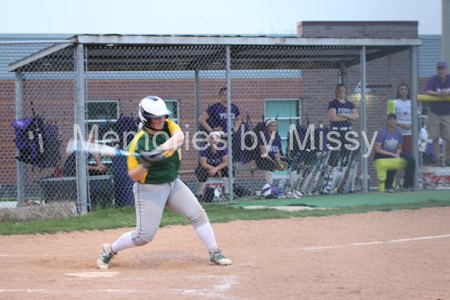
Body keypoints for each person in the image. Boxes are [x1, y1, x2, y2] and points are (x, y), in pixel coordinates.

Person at [96, 96, 231, 269]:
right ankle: (109, 249)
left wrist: (158, 150)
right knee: (144, 237)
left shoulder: (168, 125)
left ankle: (214, 252)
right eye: (156, 117)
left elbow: (180, 138)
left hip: (172, 183)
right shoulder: (138, 143)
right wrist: (146, 163)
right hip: (149, 189)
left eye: (163, 115)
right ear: (146, 118)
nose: (161, 119)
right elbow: (134, 176)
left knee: (198, 213)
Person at [323, 84, 359, 192]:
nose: (342, 92)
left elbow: (356, 116)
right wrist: (348, 117)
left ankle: (341, 184)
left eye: (344, 90)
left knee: (345, 157)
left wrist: (343, 115)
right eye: (339, 90)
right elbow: (333, 118)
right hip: (336, 132)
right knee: (334, 156)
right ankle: (327, 185)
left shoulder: (350, 104)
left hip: (347, 132)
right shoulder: (333, 103)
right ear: (336, 92)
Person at [373, 113, 416, 192]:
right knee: (393, 160)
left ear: (396, 121)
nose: (392, 121)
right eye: (390, 119)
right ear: (387, 121)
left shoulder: (398, 133)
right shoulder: (382, 132)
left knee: (411, 160)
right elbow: (377, 149)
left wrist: (397, 153)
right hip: (381, 155)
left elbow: (399, 148)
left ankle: (407, 185)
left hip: (393, 154)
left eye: (394, 120)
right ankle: (388, 186)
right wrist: (392, 154)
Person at [198, 87, 243, 162]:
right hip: (220, 135)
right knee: (223, 155)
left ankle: (234, 164)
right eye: (223, 95)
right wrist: (211, 130)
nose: (225, 96)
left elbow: (239, 119)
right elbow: (201, 119)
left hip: (231, 135)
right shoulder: (215, 107)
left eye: (227, 95)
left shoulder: (233, 107)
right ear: (220, 96)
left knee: (233, 152)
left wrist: (236, 128)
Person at [423, 60, 450, 167]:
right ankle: (438, 159)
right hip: (434, 111)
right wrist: (438, 93)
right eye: (439, 68)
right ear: (437, 70)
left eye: (443, 68)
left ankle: (448, 158)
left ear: (446, 70)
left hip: (448, 112)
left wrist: (447, 92)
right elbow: (426, 92)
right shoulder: (432, 79)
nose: (441, 70)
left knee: (449, 137)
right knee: (434, 136)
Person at [195, 131, 231, 201]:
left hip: (217, 167)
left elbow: (226, 162)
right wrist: (214, 169)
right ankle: (199, 194)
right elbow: (203, 163)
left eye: (216, 139)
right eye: (212, 138)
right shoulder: (205, 147)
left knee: (228, 169)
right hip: (207, 167)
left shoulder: (221, 147)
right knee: (201, 171)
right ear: (209, 139)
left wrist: (216, 169)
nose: (214, 141)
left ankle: (227, 193)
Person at [388, 83, 413, 154]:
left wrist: (410, 125)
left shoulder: (412, 102)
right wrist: (400, 124)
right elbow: (389, 118)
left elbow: (416, 117)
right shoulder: (393, 102)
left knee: (409, 154)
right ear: (398, 91)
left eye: (405, 89)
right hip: (397, 132)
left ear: (408, 90)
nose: (403, 91)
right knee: (398, 153)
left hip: (410, 132)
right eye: (401, 89)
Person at [255, 119, 282, 185]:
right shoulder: (263, 136)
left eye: (275, 126)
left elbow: (277, 152)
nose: (274, 128)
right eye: (271, 126)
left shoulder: (277, 137)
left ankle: (293, 188)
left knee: (292, 163)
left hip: (273, 158)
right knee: (271, 164)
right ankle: (269, 186)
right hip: (261, 159)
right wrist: (273, 161)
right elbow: (263, 152)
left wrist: (278, 161)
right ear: (267, 127)